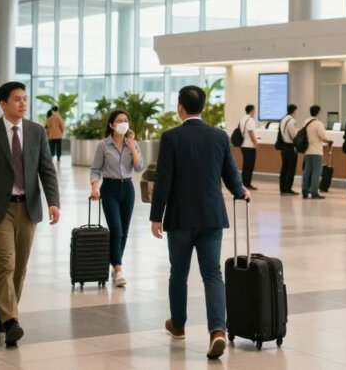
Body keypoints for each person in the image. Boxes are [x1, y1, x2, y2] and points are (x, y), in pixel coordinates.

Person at [149, 85, 249, 361]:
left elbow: (164, 180)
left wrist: (156, 216)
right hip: (211, 216)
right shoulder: (219, 136)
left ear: (180, 107)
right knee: (212, 274)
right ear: (202, 108)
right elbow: (230, 173)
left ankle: (178, 325)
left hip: (181, 218)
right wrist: (241, 191)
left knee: (178, 273)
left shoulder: (171, 137)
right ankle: (217, 330)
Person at [0, 81, 61, 347]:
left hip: (28, 207)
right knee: (5, 263)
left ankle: (2, 309)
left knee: (20, 266)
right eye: (17, 99)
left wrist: (54, 201)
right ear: (3, 103)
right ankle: (11, 322)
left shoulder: (36, 131)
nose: (23, 103)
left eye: (25, 99)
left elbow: (46, 169)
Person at [89, 110, 144, 288]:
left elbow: (138, 167)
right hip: (110, 189)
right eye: (119, 120)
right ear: (112, 125)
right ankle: (119, 269)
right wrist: (95, 187)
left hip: (127, 188)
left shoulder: (132, 144)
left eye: (126, 120)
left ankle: (114, 265)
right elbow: (96, 169)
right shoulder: (103, 145)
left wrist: (132, 146)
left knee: (124, 231)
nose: (123, 123)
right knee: (116, 228)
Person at [301, 105, 332, 200]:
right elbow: (323, 137)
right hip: (316, 151)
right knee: (316, 172)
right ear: (318, 112)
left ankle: (305, 191)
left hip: (307, 150)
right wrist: (328, 141)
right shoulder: (318, 124)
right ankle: (314, 192)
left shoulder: (305, 122)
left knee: (307, 172)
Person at [278, 104, 299, 196]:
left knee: (284, 168)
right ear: (294, 110)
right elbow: (293, 135)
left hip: (283, 146)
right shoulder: (291, 120)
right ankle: (288, 188)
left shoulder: (283, 119)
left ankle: (282, 188)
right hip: (290, 147)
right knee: (291, 169)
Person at [236, 105, 259, 191]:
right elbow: (250, 132)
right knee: (249, 166)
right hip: (249, 146)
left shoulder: (242, 119)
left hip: (243, 145)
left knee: (246, 165)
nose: (255, 112)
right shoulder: (250, 120)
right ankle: (247, 184)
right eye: (254, 110)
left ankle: (245, 183)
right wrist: (255, 143)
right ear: (252, 110)